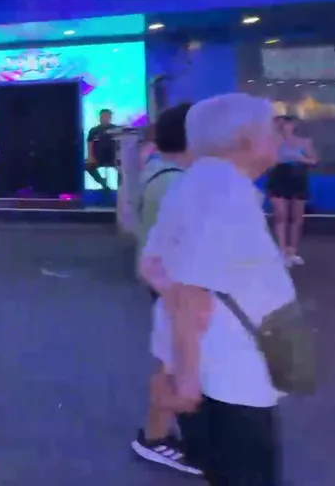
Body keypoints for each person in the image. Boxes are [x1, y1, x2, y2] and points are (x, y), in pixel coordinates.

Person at [143, 93, 294, 485]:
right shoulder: (225, 196)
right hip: (231, 374)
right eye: (272, 131)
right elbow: (190, 291)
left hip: (218, 368)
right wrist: (187, 377)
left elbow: (153, 266)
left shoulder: (198, 185)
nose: (279, 138)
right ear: (246, 140)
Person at [129, 103, 200, 476]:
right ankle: (155, 437)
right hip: (177, 286)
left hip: (168, 283)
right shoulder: (177, 183)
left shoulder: (158, 172)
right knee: (174, 360)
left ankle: (163, 434)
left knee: (175, 358)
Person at [266, 115, 317, 267]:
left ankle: (292, 251)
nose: (285, 127)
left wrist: (301, 159)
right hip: (278, 176)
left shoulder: (304, 142)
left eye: (288, 124)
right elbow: (265, 161)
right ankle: (282, 251)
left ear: (293, 126)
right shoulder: (272, 142)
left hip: (298, 176)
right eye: (281, 125)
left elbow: (314, 160)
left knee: (296, 217)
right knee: (280, 214)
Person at [86, 108, 120, 191]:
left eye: (106, 116)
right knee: (87, 165)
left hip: (113, 157)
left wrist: (119, 156)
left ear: (110, 118)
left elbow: (121, 144)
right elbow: (90, 144)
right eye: (102, 116)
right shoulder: (93, 130)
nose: (104, 118)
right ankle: (103, 183)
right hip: (99, 157)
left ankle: (120, 188)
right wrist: (90, 156)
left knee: (124, 168)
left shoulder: (116, 129)